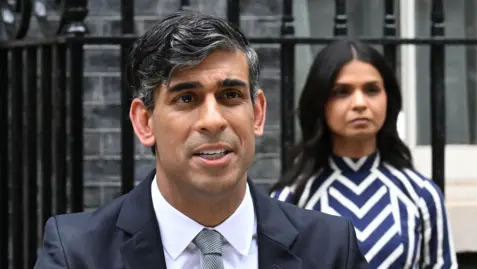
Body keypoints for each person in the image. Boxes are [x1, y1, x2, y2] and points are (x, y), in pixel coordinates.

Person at [34, 11, 369, 269]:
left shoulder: (331, 248)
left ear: (258, 113)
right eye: (187, 98)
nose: (213, 120)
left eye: (230, 94)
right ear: (144, 121)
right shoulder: (77, 253)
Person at [270, 39, 458, 268]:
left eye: (371, 90)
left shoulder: (421, 196)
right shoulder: (291, 200)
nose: (359, 103)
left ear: (388, 98)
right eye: (342, 92)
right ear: (320, 102)